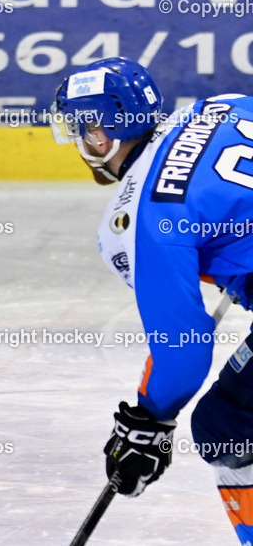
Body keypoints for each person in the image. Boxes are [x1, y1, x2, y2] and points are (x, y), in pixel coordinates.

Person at [51, 57, 253, 542]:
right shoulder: (218, 106)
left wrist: (149, 420)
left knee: (227, 424)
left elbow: (182, 347)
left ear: (101, 136)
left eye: (82, 131)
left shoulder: (137, 219)